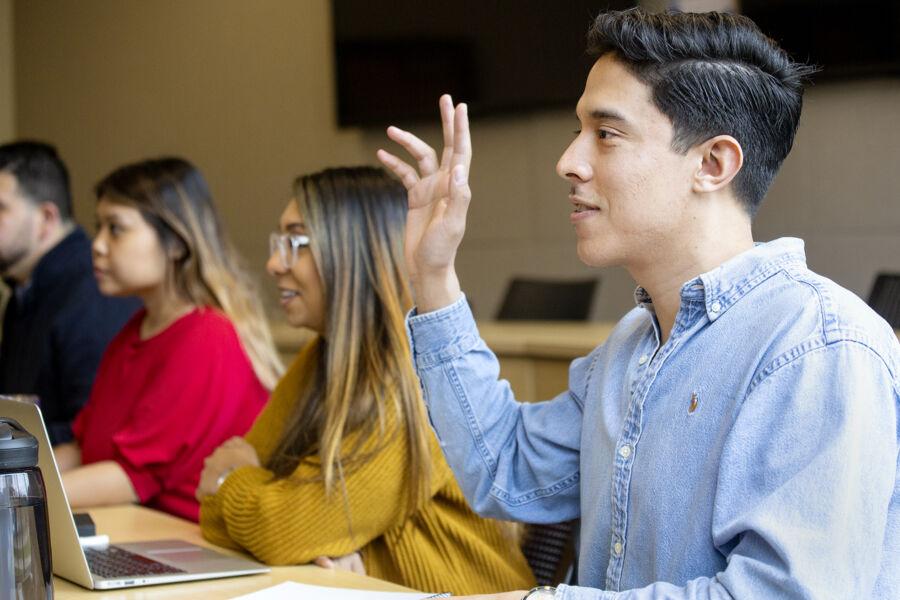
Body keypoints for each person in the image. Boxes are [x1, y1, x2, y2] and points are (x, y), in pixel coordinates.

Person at [377, 9, 899, 600]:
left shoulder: (819, 348)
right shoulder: (632, 345)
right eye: (579, 131)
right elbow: (505, 468)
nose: (568, 161)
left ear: (712, 164)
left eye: (606, 133)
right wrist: (433, 273)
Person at [197, 166, 535, 595]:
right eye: (278, 242)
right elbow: (212, 511)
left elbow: (282, 529)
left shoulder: (415, 379)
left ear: (355, 253)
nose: (273, 263)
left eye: (297, 242)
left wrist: (233, 482)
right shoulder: (321, 356)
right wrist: (284, 524)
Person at [54, 157, 282, 522]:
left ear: (175, 243)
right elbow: (84, 449)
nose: (96, 245)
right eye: (99, 227)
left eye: (116, 228)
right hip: (136, 534)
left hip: (192, 548)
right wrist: (16, 475)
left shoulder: (208, 338)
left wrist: (23, 493)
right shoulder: (134, 330)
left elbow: (131, 478)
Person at [0, 141, 138, 444]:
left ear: (47, 218)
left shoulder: (95, 291)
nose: (102, 246)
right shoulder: (23, 292)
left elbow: (94, 434)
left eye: (1, 208)